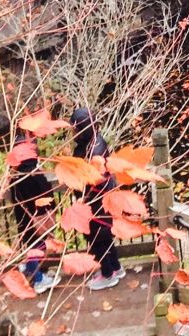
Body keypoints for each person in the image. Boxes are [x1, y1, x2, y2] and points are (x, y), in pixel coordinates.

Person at [70, 108, 125, 290]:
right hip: (101, 199)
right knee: (105, 235)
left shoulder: (91, 150)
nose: (72, 132)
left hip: (95, 201)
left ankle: (107, 273)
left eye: (75, 129)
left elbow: (92, 178)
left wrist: (82, 198)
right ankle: (115, 267)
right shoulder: (96, 141)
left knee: (97, 237)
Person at [7, 139, 59, 296]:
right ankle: (38, 279)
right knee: (38, 245)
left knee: (31, 245)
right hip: (38, 217)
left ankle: (31, 270)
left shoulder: (16, 176)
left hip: (24, 218)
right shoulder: (34, 174)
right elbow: (46, 193)